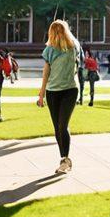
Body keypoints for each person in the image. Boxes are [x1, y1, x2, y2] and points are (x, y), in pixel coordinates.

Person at [38, 19, 82, 175]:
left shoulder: (74, 47)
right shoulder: (49, 50)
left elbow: (79, 65)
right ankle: (63, 158)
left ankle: (65, 159)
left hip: (70, 90)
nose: (56, 33)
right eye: (54, 30)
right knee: (57, 127)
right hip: (52, 92)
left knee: (63, 125)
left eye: (59, 30)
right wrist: (41, 93)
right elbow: (46, 72)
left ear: (64, 31)